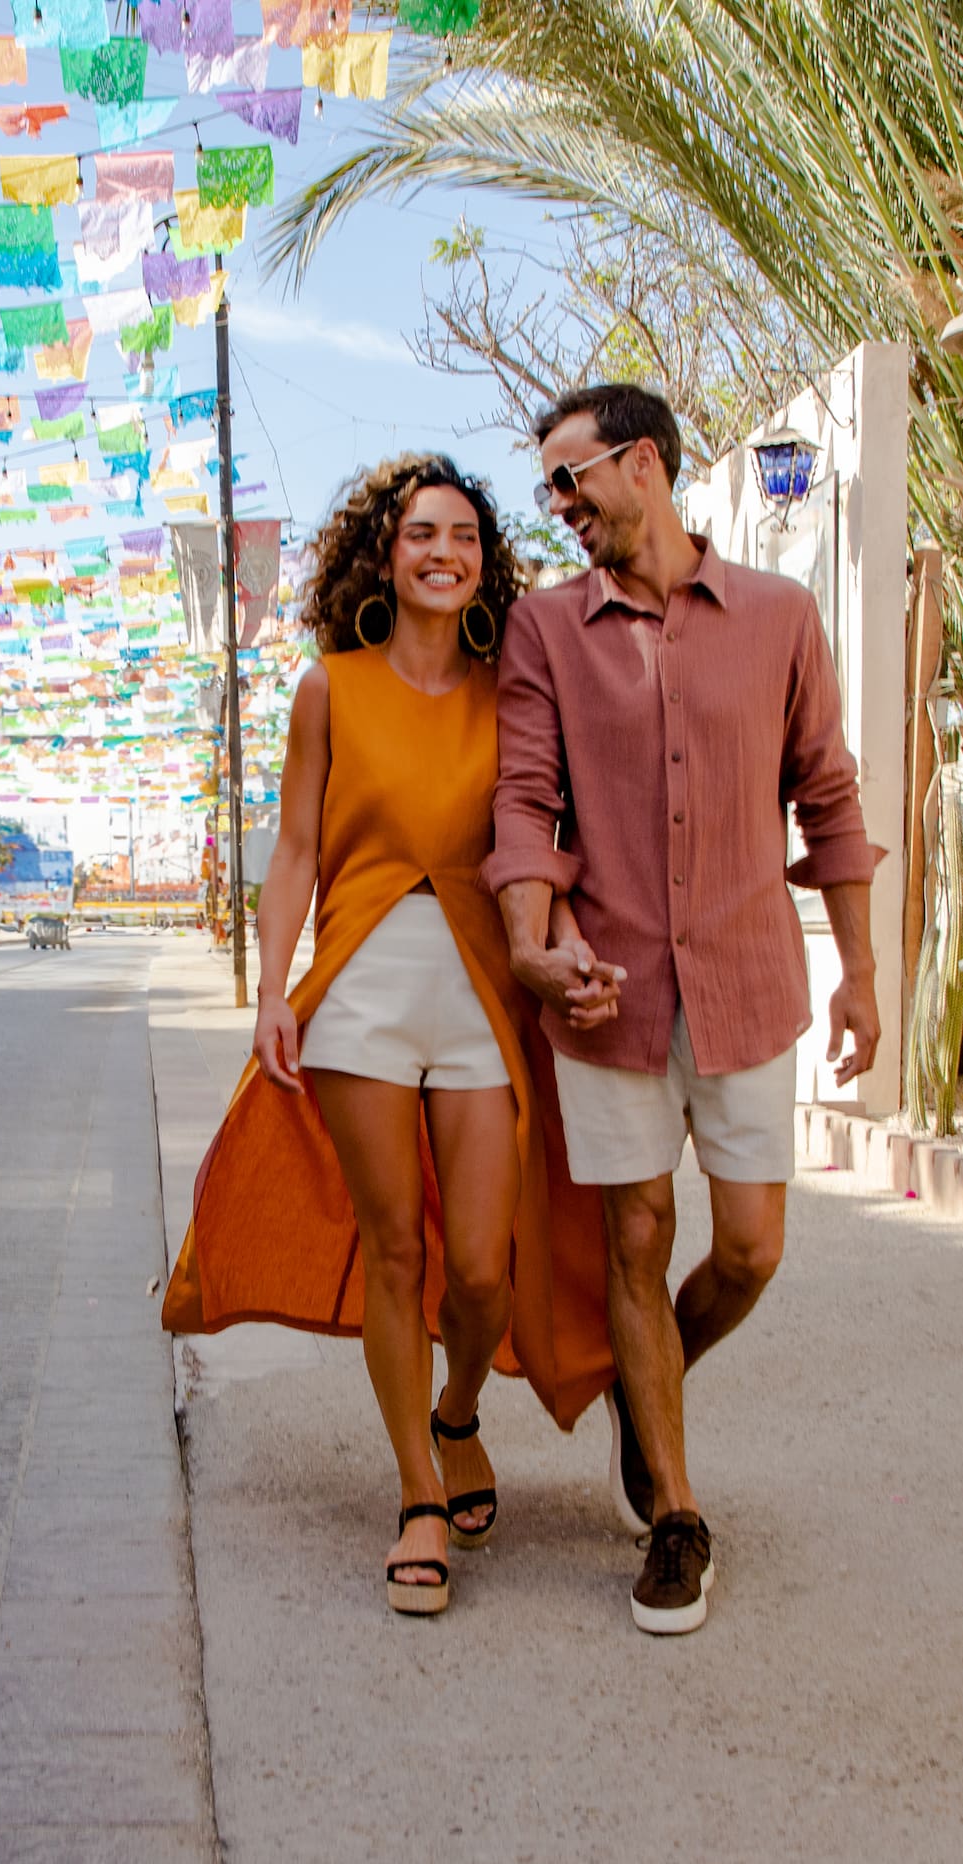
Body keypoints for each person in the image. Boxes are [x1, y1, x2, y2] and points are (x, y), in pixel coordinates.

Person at [164, 454, 611, 1618]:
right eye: (422, 533)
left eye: (464, 535)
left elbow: (546, 831)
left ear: (484, 558)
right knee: (395, 1253)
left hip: (480, 991)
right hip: (359, 989)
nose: (444, 552)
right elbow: (299, 852)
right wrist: (275, 987)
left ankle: (459, 1407)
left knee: (478, 1265)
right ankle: (418, 1485)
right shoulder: (330, 687)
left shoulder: (512, 687)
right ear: (386, 549)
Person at [485, 383, 883, 1637]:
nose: (558, 506)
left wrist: (863, 972)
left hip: (750, 980)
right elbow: (525, 804)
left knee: (753, 1248)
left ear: (643, 464)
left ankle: (640, 1384)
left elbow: (828, 793)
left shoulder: (780, 615)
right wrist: (535, 950)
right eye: (548, 485)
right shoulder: (547, 629)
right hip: (605, 994)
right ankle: (675, 1515)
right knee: (637, 1241)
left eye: (570, 478)